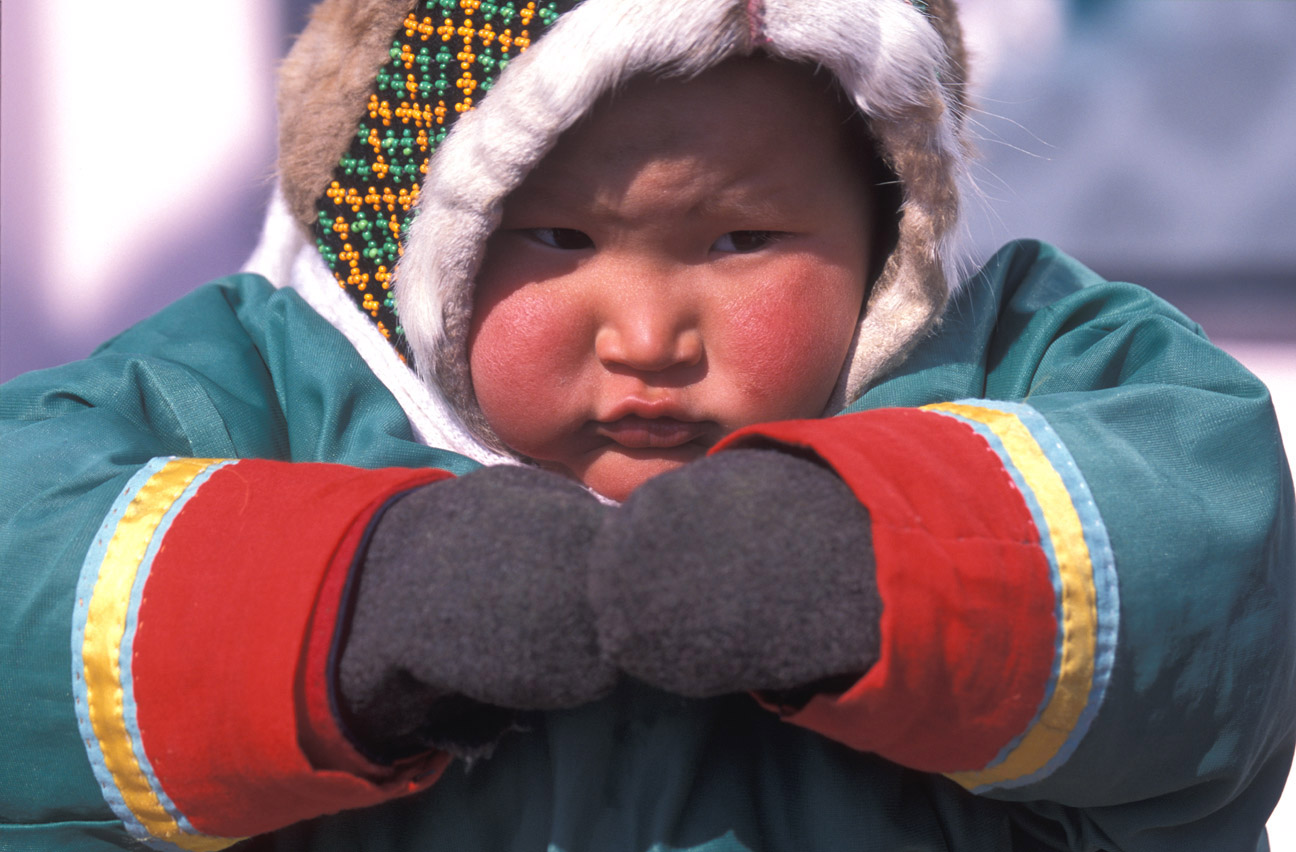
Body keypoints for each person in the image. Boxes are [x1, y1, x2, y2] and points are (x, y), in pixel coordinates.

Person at [1, 0, 1291, 849]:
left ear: (884, 231)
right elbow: (29, 573)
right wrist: (357, 608)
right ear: (417, 241)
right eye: (558, 240)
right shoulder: (257, 390)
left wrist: (872, 562)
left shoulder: (1004, 373)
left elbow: (1210, 578)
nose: (648, 335)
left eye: (742, 240)